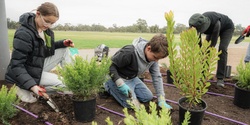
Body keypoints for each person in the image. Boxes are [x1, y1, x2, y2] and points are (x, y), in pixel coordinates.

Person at [5, 2, 74, 103]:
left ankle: (75, 80)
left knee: (64, 50)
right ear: (38, 14)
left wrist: (62, 43)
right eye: (47, 21)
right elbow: (17, 65)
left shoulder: (45, 30)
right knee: (64, 85)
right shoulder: (24, 34)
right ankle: (28, 90)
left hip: (36, 65)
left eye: (52, 23)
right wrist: (32, 86)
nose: (49, 25)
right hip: (26, 71)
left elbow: (45, 50)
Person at [104, 34, 172, 109]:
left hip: (132, 78)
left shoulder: (153, 59)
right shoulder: (129, 53)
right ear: (149, 48)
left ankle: (130, 92)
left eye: (158, 59)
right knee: (133, 106)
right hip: (116, 78)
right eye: (155, 57)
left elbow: (157, 77)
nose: (156, 61)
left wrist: (161, 99)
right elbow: (110, 66)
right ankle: (108, 86)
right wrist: (120, 84)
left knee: (148, 97)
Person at [189, 11, 235, 88]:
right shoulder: (196, 23)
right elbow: (198, 43)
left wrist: (206, 54)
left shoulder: (215, 23)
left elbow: (212, 45)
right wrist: (201, 53)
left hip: (227, 28)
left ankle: (220, 78)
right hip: (211, 29)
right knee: (204, 51)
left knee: (222, 49)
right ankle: (203, 75)